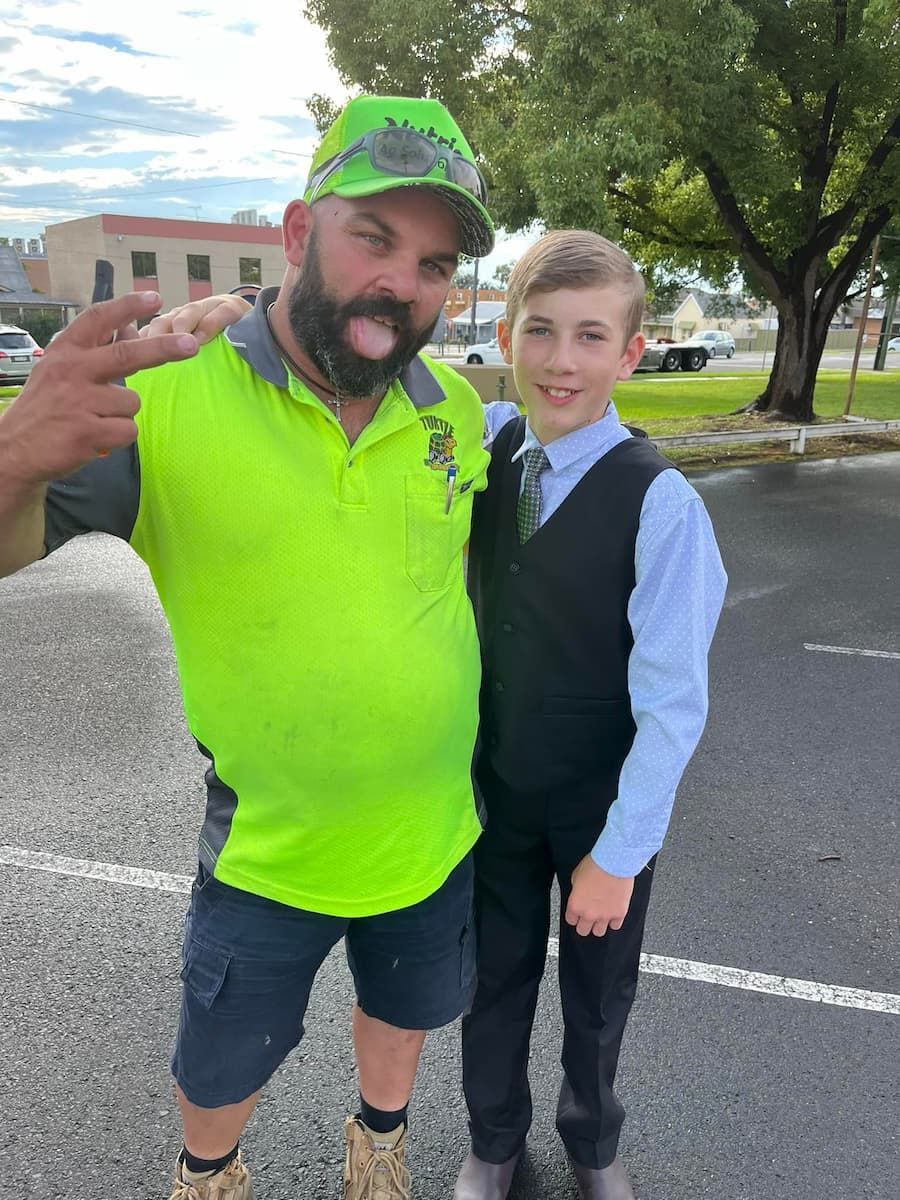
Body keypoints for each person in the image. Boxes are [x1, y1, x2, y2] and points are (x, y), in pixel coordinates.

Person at [0, 94, 496, 1200]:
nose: (401, 283)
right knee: (222, 1059)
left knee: (405, 1015)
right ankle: (209, 1176)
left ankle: (378, 1148)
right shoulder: (164, 392)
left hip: (431, 832)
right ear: (293, 232)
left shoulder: (454, 410)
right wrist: (14, 452)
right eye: (374, 238)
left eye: (432, 261)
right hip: (267, 852)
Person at [453, 230, 727, 1200]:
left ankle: (592, 1140)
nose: (561, 360)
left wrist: (618, 853)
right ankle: (492, 1140)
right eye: (540, 332)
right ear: (506, 335)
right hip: (489, 790)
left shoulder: (660, 506)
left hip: (600, 808)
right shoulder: (482, 452)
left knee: (597, 996)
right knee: (491, 979)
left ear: (630, 352)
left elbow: (671, 704)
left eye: (589, 336)